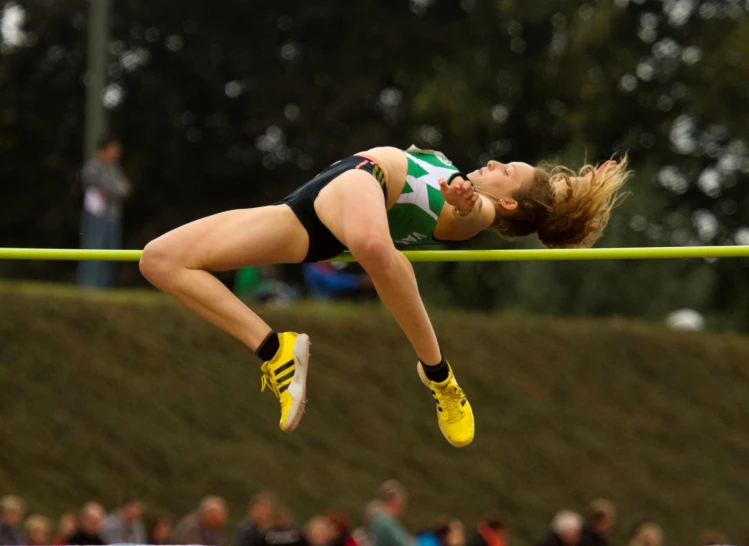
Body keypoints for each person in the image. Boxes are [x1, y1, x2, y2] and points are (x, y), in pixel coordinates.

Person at [140, 145, 629, 447]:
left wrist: (467, 201)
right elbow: (543, 197)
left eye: (506, 170)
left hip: (362, 185)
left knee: (375, 248)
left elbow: (474, 210)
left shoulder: (476, 208)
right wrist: (582, 184)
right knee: (159, 260)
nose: (495, 162)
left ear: (504, 202)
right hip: (305, 212)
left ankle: (440, 376)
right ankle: (275, 350)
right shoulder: (472, 184)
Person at [78, 134, 133, 289]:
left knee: (110, 252)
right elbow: (92, 182)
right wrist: (113, 190)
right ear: (105, 149)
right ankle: (87, 286)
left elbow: (125, 189)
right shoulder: (93, 166)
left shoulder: (114, 168)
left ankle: (104, 288)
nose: (117, 153)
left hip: (113, 216)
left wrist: (110, 190)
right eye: (114, 149)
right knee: (93, 249)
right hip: (96, 216)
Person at [368, 481, 410, 546]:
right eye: (400, 504)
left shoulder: (378, 519)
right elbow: (402, 543)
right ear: (392, 501)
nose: (400, 510)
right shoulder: (385, 522)